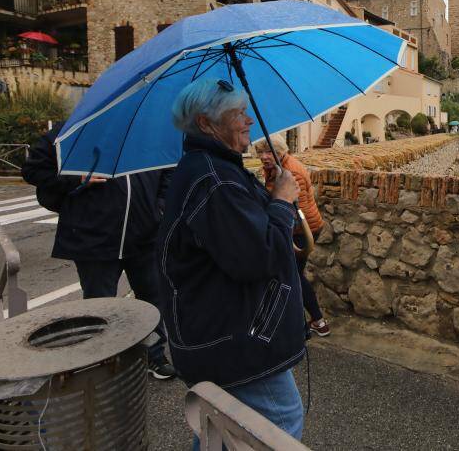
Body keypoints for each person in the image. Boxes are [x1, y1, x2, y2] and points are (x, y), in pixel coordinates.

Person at [158, 78, 307, 442]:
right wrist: (283, 201)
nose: (248, 121)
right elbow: (259, 256)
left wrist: (271, 198)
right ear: (206, 124)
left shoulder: (214, 168)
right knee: (279, 425)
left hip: (220, 331)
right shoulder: (215, 181)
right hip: (234, 338)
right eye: (237, 113)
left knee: (219, 423)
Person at [21, 122, 175, 380]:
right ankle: (103, 363)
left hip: (143, 234)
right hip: (94, 237)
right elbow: (33, 170)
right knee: (100, 305)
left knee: (152, 299)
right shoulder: (71, 131)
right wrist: (76, 179)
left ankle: (154, 356)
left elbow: (168, 170)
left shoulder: (144, 128)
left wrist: (159, 207)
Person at [255, 133, 330, 337]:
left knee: (293, 277)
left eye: (269, 151)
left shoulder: (288, 172)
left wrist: (283, 234)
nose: (264, 156)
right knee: (294, 275)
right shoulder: (278, 168)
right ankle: (314, 321)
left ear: (280, 151)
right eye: (260, 152)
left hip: (299, 232)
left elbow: (298, 210)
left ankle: (314, 322)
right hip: (301, 229)